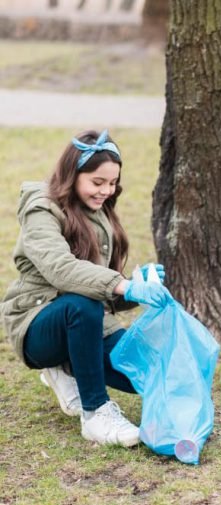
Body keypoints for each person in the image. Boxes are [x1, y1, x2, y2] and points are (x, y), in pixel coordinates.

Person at [0, 129, 173, 447]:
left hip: (86, 318)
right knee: (81, 305)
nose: (107, 191)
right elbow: (62, 271)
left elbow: (103, 292)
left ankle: (69, 367)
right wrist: (122, 285)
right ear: (73, 174)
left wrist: (135, 284)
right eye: (98, 182)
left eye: (112, 183)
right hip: (37, 323)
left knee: (142, 374)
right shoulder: (41, 208)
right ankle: (95, 414)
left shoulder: (99, 212)